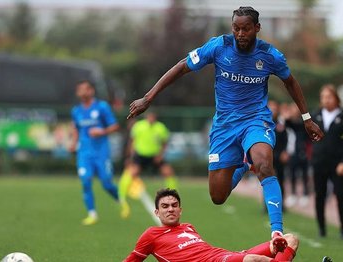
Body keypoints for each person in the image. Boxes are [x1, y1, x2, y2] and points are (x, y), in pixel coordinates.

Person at [127, 6, 324, 247]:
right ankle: (243, 165)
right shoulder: (218, 46)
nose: (240, 33)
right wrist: (148, 98)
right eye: (236, 28)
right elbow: (182, 66)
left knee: (264, 164)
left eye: (246, 28)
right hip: (224, 126)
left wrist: (306, 118)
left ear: (257, 29)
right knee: (218, 196)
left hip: (255, 119)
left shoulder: (270, 55)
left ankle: (277, 231)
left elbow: (290, 82)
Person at [123, 188, 300, 262]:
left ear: (180, 210)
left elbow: (206, 252)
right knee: (253, 260)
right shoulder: (151, 234)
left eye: (174, 206)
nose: (170, 209)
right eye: (165, 206)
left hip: (224, 257)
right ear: (157, 213)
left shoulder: (188, 227)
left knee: (291, 239)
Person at [69, 80, 120, 225]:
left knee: (106, 183)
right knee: (85, 181)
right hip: (84, 153)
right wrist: (73, 143)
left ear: (91, 91)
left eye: (85, 89)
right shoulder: (76, 111)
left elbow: (115, 126)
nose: (82, 92)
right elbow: (75, 129)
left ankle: (119, 198)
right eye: (79, 89)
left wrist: (102, 131)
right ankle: (92, 214)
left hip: (101, 152)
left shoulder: (102, 107)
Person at [311, 84, 343, 240]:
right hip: (319, 162)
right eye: (323, 97)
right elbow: (305, 134)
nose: (326, 100)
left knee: (340, 195)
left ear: (336, 98)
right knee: (319, 195)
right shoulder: (315, 115)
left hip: (337, 164)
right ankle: (321, 228)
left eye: (329, 97)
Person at [119, 111, 178, 218]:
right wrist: (130, 157)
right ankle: (122, 199)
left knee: (168, 172)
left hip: (154, 155)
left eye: (153, 116)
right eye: (149, 116)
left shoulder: (160, 127)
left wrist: (160, 155)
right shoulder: (138, 126)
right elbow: (132, 142)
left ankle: (172, 196)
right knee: (131, 172)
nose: (151, 118)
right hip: (141, 155)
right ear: (146, 117)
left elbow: (164, 143)